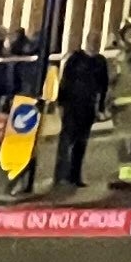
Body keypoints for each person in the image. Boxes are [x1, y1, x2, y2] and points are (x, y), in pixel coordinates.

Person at [51, 39, 112, 191]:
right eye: (93, 41)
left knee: (81, 143)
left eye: (96, 41)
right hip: (72, 105)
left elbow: (103, 85)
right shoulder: (75, 59)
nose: (95, 44)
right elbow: (65, 80)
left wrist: (101, 107)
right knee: (66, 141)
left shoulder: (100, 61)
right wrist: (60, 102)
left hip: (88, 107)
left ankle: (75, 176)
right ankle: (61, 176)